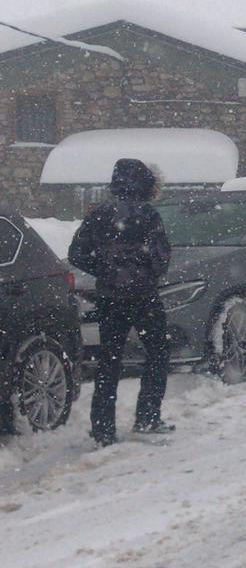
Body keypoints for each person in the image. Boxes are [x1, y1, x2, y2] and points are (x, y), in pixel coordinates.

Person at [68, 158, 174, 446]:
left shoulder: (99, 213)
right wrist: (145, 271)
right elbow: (161, 256)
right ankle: (147, 417)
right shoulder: (148, 214)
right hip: (144, 296)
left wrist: (106, 269)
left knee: (109, 361)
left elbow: (76, 253)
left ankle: (103, 429)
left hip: (110, 297)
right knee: (157, 353)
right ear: (143, 184)